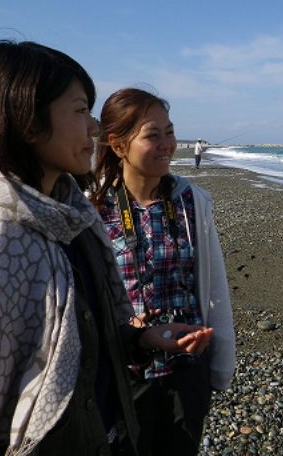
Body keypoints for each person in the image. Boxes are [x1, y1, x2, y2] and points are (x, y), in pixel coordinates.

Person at [0, 40, 208, 455]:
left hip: (105, 433)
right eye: (81, 111)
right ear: (29, 123)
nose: (93, 128)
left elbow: (90, 335)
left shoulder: (75, 219)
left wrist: (139, 341)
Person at [92, 88, 236, 455]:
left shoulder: (191, 202)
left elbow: (215, 287)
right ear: (118, 145)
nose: (166, 144)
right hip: (123, 373)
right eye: (152, 135)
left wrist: (220, 365)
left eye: (169, 132)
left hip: (188, 369)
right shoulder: (92, 208)